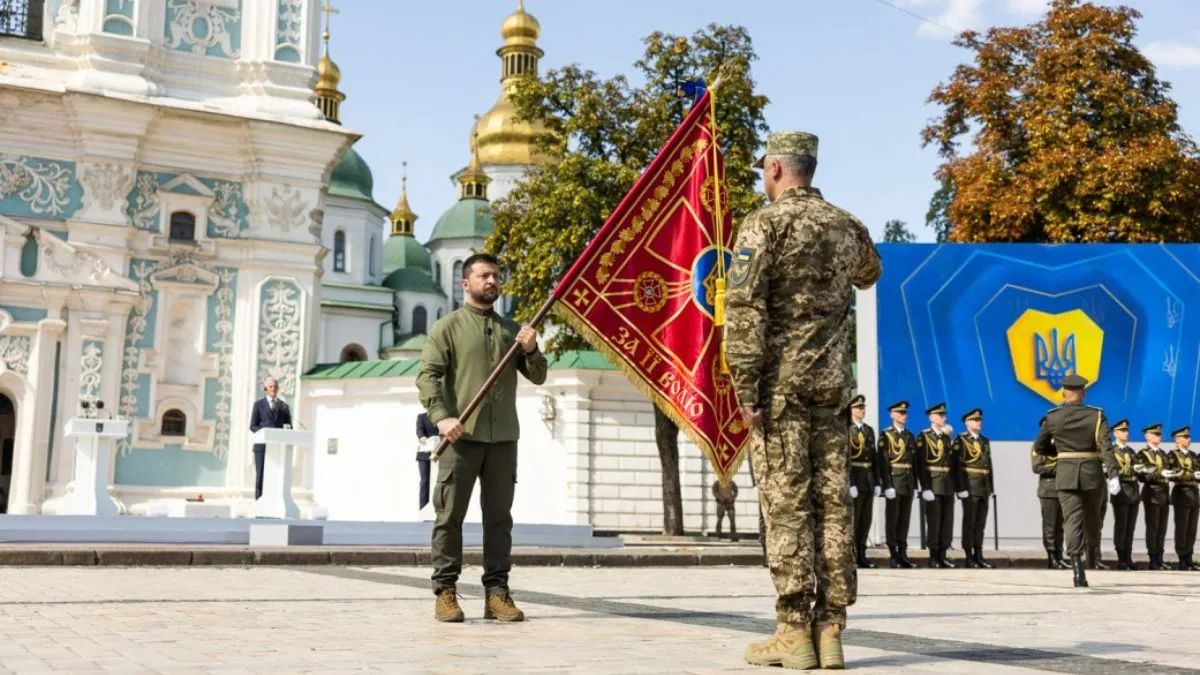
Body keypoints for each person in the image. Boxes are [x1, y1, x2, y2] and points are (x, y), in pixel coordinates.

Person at [726, 130, 881, 670]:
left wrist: (745, 391)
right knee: (833, 506)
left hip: (781, 391)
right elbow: (870, 273)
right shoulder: (845, 224)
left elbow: (744, 311)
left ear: (774, 170)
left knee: (787, 506)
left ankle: (793, 631)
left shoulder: (762, 224)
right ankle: (832, 630)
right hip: (833, 387)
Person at [417, 252, 547, 623]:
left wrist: (531, 349)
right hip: (461, 439)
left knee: (499, 519)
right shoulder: (447, 328)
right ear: (465, 283)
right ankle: (445, 591)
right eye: (484, 276)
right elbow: (427, 377)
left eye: (496, 276)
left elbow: (538, 375)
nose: (492, 281)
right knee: (449, 517)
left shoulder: (512, 330)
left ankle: (497, 594)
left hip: (503, 439)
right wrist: (442, 418)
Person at [1032, 373, 1113, 588]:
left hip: (1065, 474)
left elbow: (1040, 447)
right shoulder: (1096, 415)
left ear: (1064, 392)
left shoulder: (1053, 416)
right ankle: (1092, 554)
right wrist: (1113, 473)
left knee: (1071, 521)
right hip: (1092, 474)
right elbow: (1106, 446)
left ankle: (1077, 570)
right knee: (1093, 520)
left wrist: (1061, 452)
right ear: (1083, 392)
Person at [916, 402, 964, 568]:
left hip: (947, 484)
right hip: (933, 484)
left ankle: (943, 554)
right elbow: (921, 464)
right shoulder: (924, 436)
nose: (942, 418)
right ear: (931, 418)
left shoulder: (946, 437)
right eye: (939, 415)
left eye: (944, 415)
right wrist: (925, 487)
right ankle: (934, 556)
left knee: (947, 521)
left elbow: (953, 463)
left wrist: (958, 486)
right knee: (934, 521)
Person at [846, 394, 887, 569]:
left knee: (865, 520)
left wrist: (877, 482)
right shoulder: (847, 429)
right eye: (858, 408)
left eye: (863, 408)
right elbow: (845, 458)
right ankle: (852, 555)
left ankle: (862, 554)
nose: (861, 411)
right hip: (855, 478)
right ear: (851, 410)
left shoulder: (869, 431)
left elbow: (875, 459)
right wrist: (850, 482)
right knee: (854, 521)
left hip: (868, 479)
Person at [954, 408, 994, 569]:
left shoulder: (984, 440)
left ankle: (979, 554)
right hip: (970, 486)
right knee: (969, 522)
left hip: (983, 486)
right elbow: (958, 466)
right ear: (967, 423)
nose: (979, 422)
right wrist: (961, 487)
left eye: (980, 420)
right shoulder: (961, 440)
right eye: (975, 420)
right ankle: (969, 555)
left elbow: (988, 465)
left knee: (980, 523)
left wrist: (991, 486)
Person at [879, 400, 917, 568]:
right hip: (894, 481)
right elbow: (884, 462)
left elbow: (914, 463)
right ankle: (893, 553)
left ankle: (903, 552)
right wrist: (887, 485)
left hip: (907, 482)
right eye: (900, 413)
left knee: (904, 520)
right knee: (892, 519)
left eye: (905, 413)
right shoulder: (886, 435)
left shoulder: (909, 435)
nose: (904, 415)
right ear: (892, 415)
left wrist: (915, 486)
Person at [1134, 423, 1173, 570]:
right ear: (1147, 436)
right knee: (1153, 527)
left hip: (1164, 493)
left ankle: (1160, 558)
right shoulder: (1142, 454)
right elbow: (1142, 476)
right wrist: (1159, 474)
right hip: (1152, 493)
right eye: (1156, 434)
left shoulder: (1163, 454)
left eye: (1159, 434)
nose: (1159, 436)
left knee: (1162, 528)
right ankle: (1153, 559)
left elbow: (1170, 470)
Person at [1105, 419, 1141, 570]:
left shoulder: (1130, 451)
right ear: (1115, 433)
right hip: (1120, 490)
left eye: (1126, 431)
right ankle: (1121, 559)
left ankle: (1128, 557)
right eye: (1122, 431)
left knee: (1130, 527)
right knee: (1122, 525)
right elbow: (1108, 469)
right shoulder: (1111, 450)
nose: (1126, 433)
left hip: (1133, 490)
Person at [248, 377, 292, 501]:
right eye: (271, 386)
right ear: (265, 389)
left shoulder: (284, 406)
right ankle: (259, 502)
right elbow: (253, 426)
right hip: (262, 447)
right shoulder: (258, 405)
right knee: (261, 475)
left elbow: (289, 427)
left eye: (275, 386)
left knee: (276, 476)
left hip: (278, 448)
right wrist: (264, 433)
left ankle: (274, 502)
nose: (274, 389)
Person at [1031, 441, 1067, 569]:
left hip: (1062, 489)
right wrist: (1057, 469)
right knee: (1050, 525)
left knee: (1060, 526)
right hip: (1048, 489)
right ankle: (1052, 556)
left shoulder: (1061, 445)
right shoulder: (1039, 447)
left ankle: (1059, 555)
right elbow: (1037, 467)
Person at [1166, 426, 1199, 570]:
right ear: (1178, 440)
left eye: (1188, 437)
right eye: (1185, 437)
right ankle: (1182, 559)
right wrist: (1192, 476)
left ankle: (1189, 558)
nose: (1189, 439)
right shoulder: (1172, 455)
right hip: (1182, 494)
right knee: (1182, 528)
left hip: (1194, 495)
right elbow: (1173, 473)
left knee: (1192, 529)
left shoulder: (1193, 455)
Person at [416, 412, 438, 511]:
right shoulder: (421, 417)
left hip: (439, 453)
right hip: (424, 453)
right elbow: (419, 430)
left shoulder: (442, 416)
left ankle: (439, 510)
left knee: (440, 483)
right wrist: (422, 437)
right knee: (425, 481)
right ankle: (423, 509)